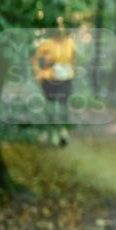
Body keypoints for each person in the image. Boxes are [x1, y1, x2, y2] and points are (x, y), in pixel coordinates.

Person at [31, 16, 77, 146]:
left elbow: (72, 60)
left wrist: (72, 72)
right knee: (50, 107)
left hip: (65, 79)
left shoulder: (70, 43)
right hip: (49, 80)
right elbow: (35, 60)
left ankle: (63, 132)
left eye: (62, 27)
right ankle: (52, 132)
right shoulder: (46, 44)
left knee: (63, 106)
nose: (60, 30)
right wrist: (39, 73)